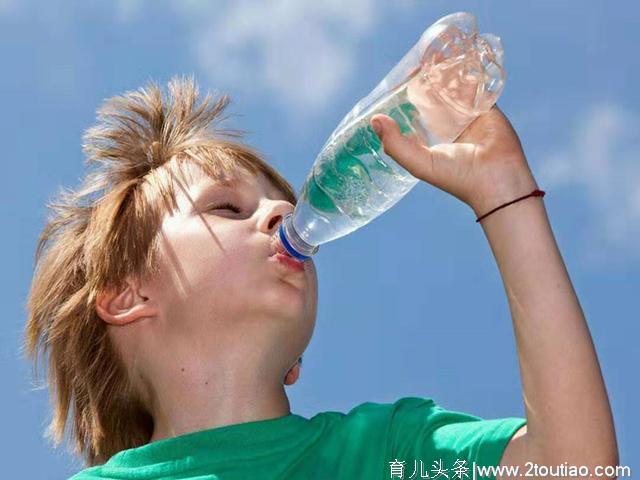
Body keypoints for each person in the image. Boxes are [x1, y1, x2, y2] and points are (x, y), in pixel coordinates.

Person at [24, 75, 618, 479]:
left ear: (296, 362)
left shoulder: (386, 452)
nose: (282, 213)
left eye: (282, 204)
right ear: (128, 296)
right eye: (227, 208)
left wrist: (505, 194)